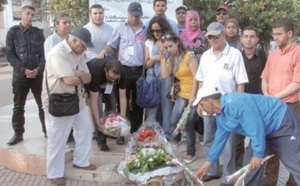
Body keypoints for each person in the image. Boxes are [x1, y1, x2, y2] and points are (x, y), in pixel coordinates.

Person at [193, 87, 300, 186]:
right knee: (250, 165)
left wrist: (258, 154)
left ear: (209, 101)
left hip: (281, 122)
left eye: (201, 105)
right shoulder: (221, 117)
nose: (201, 110)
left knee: (294, 163)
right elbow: (219, 141)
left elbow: (255, 127)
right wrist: (208, 163)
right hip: (264, 130)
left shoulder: (237, 103)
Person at [195, 22, 248, 185]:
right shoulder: (205, 56)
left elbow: (241, 81)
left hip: (227, 107)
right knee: (209, 139)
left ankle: (228, 177)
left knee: (228, 144)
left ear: (223, 35)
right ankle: (213, 170)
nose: (212, 40)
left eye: (215, 36)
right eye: (209, 37)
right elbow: (200, 80)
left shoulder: (235, 54)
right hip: (208, 106)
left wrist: (239, 105)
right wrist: (199, 102)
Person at [42, 27, 96, 185]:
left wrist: (78, 75)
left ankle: (81, 161)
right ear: (73, 41)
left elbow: (89, 77)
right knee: (57, 138)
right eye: (83, 46)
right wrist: (79, 76)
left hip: (75, 99)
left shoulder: (78, 53)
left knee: (85, 127)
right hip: (58, 100)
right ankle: (54, 173)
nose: (84, 50)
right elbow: (69, 80)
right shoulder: (57, 53)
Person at [261, 17, 300, 186]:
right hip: (272, 108)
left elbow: (297, 84)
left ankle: (292, 183)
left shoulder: (298, 53)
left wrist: (275, 97)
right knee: (271, 147)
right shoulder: (273, 54)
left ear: (290, 33)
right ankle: (269, 182)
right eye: (273, 34)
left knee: (292, 151)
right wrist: (267, 96)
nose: (275, 38)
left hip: (290, 107)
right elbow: (264, 77)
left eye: (278, 34)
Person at [99, 2, 147, 134]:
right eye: (132, 15)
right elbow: (111, 44)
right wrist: (104, 50)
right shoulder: (120, 28)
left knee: (138, 101)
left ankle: (135, 129)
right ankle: (123, 129)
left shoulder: (145, 29)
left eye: (137, 16)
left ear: (141, 16)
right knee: (122, 100)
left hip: (139, 70)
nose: (134, 18)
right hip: (123, 70)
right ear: (128, 14)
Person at [6, 5, 46, 145]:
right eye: (28, 14)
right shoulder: (13, 32)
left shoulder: (38, 33)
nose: (30, 17)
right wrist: (23, 70)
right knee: (18, 106)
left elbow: (44, 54)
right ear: (21, 14)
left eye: (32, 15)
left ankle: (47, 131)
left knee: (43, 105)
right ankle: (18, 133)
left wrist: (38, 70)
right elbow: (10, 54)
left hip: (37, 75)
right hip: (20, 76)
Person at [160, 31, 199, 164]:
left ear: (177, 43)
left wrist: (193, 96)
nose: (168, 49)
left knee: (189, 124)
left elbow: (197, 77)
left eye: (170, 46)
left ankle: (191, 152)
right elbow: (165, 75)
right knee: (173, 121)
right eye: (166, 47)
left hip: (195, 94)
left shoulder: (189, 56)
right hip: (182, 94)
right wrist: (162, 58)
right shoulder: (171, 58)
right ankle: (175, 144)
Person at [234, 26, 267, 170]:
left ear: (257, 39)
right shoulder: (236, 56)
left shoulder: (263, 57)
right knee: (237, 138)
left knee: (257, 136)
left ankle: (255, 168)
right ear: (241, 39)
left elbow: (266, 78)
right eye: (246, 36)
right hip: (240, 102)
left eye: (252, 36)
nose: (248, 39)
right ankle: (238, 167)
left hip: (257, 103)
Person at [43, 12, 76, 149]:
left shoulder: (72, 39)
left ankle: (70, 138)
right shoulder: (52, 41)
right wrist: (72, 72)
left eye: (69, 22)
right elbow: (55, 65)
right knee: (58, 122)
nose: (68, 25)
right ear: (57, 24)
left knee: (70, 115)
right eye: (64, 22)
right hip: (57, 86)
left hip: (70, 85)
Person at [87, 57, 127, 150]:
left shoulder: (122, 73)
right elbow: (94, 102)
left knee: (112, 105)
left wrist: (122, 120)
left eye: (115, 79)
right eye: (110, 77)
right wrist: (98, 123)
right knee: (99, 112)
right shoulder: (96, 72)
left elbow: (122, 97)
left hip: (108, 86)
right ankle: (100, 139)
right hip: (93, 82)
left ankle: (109, 130)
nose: (113, 80)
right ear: (106, 70)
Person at [144, 16, 173, 140]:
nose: (155, 33)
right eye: (153, 31)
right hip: (151, 75)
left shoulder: (169, 41)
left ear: (164, 29)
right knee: (151, 105)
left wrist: (161, 58)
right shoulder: (148, 42)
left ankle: (167, 133)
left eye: (158, 30)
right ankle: (149, 133)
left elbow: (172, 59)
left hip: (166, 75)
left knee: (166, 105)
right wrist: (156, 58)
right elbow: (146, 64)